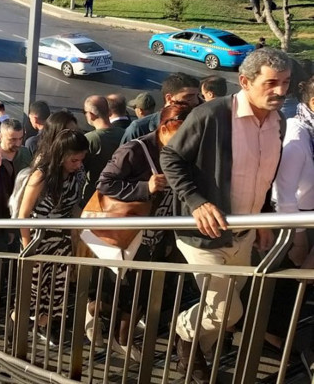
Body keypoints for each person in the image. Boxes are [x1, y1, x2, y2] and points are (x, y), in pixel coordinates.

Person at [161, 48, 291, 383]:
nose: (280, 91)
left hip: (245, 234)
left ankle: (192, 356)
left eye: (286, 83)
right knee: (226, 310)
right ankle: (183, 337)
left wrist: (263, 219)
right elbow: (171, 158)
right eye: (272, 83)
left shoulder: (280, 122)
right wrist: (196, 201)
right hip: (203, 234)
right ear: (245, 82)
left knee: (221, 309)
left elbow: (265, 175)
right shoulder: (213, 114)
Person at [86, 103, 192, 359]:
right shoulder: (136, 149)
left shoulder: (182, 153)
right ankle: (101, 318)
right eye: (180, 133)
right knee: (128, 292)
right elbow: (105, 183)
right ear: (164, 127)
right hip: (131, 233)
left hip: (158, 233)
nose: (185, 140)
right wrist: (145, 187)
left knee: (142, 292)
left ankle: (118, 334)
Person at [16, 129, 89, 328]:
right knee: (32, 295)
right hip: (37, 240)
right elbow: (23, 215)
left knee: (56, 296)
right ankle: (21, 334)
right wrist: (28, 248)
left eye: (81, 159)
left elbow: (73, 207)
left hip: (62, 240)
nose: (79, 164)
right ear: (61, 155)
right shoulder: (41, 175)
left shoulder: (78, 174)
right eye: (74, 160)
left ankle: (43, 331)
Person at [267, 75, 314, 348]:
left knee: (301, 280)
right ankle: (272, 334)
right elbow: (282, 192)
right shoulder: (297, 136)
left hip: (307, 217)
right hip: (296, 220)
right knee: (288, 282)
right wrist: (295, 235)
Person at [122, 73, 201, 143]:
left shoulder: (196, 125)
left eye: (197, 96)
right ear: (169, 98)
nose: (196, 101)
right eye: (189, 97)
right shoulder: (139, 129)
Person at [82, 95, 126, 203]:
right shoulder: (124, 133)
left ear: (91, 115)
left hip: (94, 196)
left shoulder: (90, 139)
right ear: (109, 112)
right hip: (119, 193)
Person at [0, 118, 32, 184]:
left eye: (20, 138)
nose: (18, 143)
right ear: (1, 136)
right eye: (13, 139)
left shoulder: (25, 153)